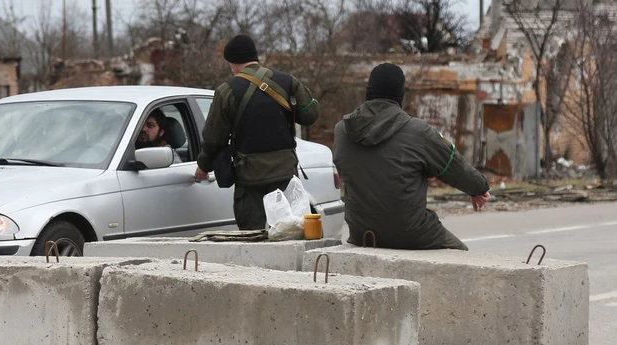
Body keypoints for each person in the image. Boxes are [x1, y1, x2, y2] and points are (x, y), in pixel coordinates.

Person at [332, 63, 491, 251]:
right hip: (412, 233)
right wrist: (478, 187)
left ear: (369, 91)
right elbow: (452, 164)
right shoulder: (417, 131)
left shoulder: (342, 130)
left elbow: (362, 165)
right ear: (400, 94)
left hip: (361, 232)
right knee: (460, 254)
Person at [194, 34, 320, 230]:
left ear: (232, 63)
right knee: (288, 234)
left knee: (253, 241)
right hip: (285, 175)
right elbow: (310, 115)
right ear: (255, 57)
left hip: (250, 179)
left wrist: (203, 166)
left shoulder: (227, 91)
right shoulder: (287, 81)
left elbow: (213, 137)